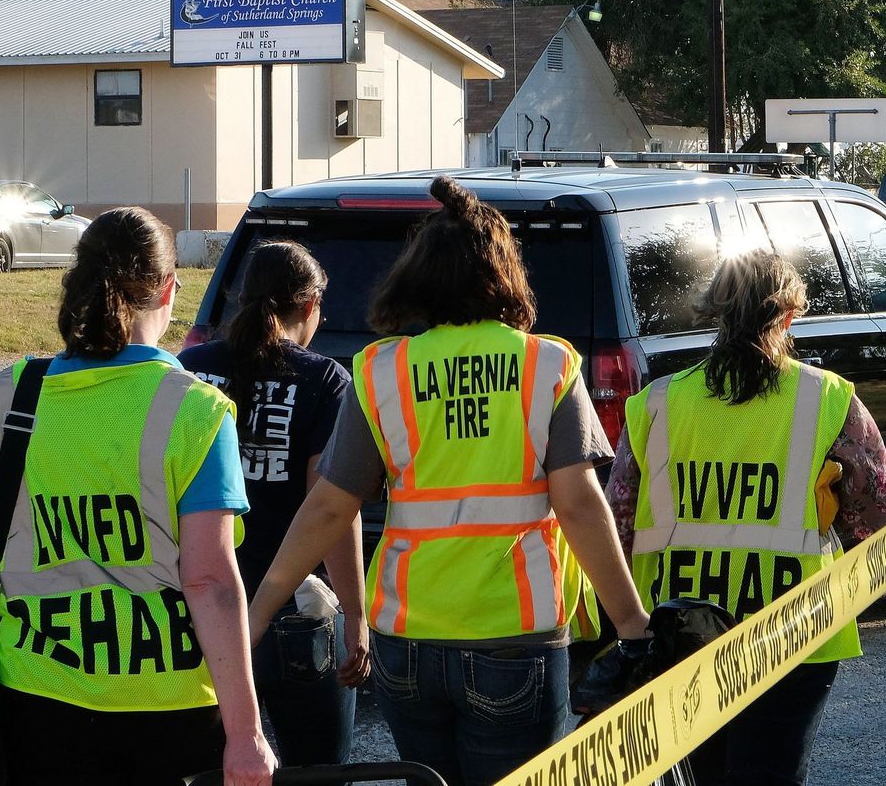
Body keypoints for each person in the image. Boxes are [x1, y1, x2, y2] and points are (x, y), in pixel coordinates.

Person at [246, 176, 652, 786]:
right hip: (515, 635)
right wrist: (630, 621)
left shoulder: (383, 370)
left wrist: (255, 615)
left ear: (419, 276)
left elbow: (329, 506)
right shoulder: (548, 363)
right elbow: (579, 506)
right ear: (505, 273)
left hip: (407, 639)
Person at [0, 207, 276, 786]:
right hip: (167, 701)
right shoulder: (196, 410)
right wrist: (246, 736)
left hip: (38, 691)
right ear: (168, 289)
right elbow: (209, 580)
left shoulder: (14, 392)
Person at [605, 248, 886, 786]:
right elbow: (876, 503)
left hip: (681, 631)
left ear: (715, 312)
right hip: (795, 630)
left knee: (706, 775)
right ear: (788, 316)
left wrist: (625, 618)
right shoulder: (828, 398)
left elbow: (619, 511)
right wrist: (852, 551)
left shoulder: (656, 403)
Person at [178, 241, 369, 770]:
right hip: (293, 613)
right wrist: (355, 613)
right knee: (316, 772)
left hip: (196, 611)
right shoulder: (324, 380)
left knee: (219, 769)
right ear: (309, 306)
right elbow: (330, 510)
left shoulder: (189, 368)